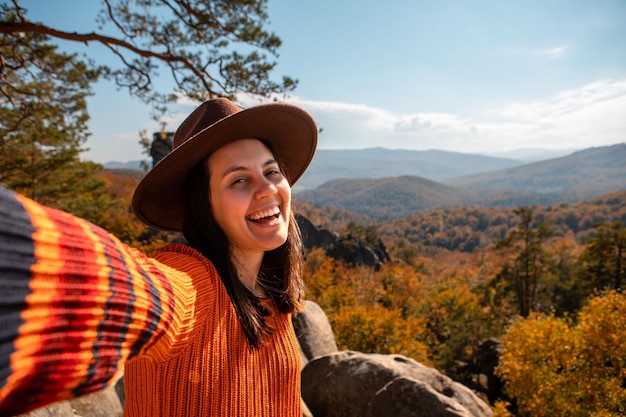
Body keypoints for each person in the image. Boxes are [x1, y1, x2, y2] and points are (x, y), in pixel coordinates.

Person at [0, 97, 318, 416]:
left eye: (271, 171)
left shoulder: (273, 296)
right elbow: (127, 290)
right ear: (203, 205)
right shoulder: (191, 286)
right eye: (239, 180)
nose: (267, 189)